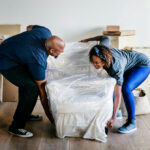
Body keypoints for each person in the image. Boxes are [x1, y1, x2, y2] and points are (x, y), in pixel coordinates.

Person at [0, 25, 65, 137]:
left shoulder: (45, 31)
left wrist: (24, 45)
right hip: (5, 61)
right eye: (59, 52)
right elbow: (42, 93)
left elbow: (29, 27)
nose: (60, 54)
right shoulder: (38, 60)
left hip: (10, 50)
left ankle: (26, 113)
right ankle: (16, 127)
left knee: (27, 84)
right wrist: (50, 117)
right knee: (31, 87)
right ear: (51, 50)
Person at [81, 36, 150, 134]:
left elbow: (118, 95)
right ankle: (116, 112)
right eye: (93, 62)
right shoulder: (102, 47)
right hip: (128, 64)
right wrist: (86, 40)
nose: (94, 65)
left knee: (126, 88)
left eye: (97, 63)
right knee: (110, 87)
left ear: (104, 60)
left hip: (142, 64)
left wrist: (112, 118)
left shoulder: (115, 67)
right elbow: (104, 37)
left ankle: (131, 122)